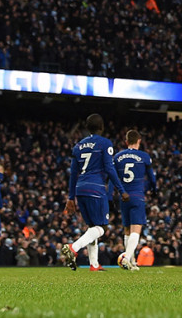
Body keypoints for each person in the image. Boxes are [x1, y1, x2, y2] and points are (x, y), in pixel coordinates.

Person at [62, 114, 128, 271]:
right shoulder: (105, 143)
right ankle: (73, 248)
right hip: (96, 188)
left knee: (92, 226)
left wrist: (71, 197)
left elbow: (73, 174)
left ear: (87, 127)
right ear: (102, 127)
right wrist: (121, 190)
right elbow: (109, 168)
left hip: (80, 188)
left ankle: (94, 264)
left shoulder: (77, 146)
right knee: (102, 229)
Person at [114, 129, 157, 271]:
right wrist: (153, 189)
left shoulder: (118, 156)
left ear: (126, 142)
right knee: (136, 230)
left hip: (123, 196)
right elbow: (152, 178)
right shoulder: (144, 156)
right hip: (137, 195)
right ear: (139, 141)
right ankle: (127, 257)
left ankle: (131, 263)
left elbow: (112, 177)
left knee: (127, 230)